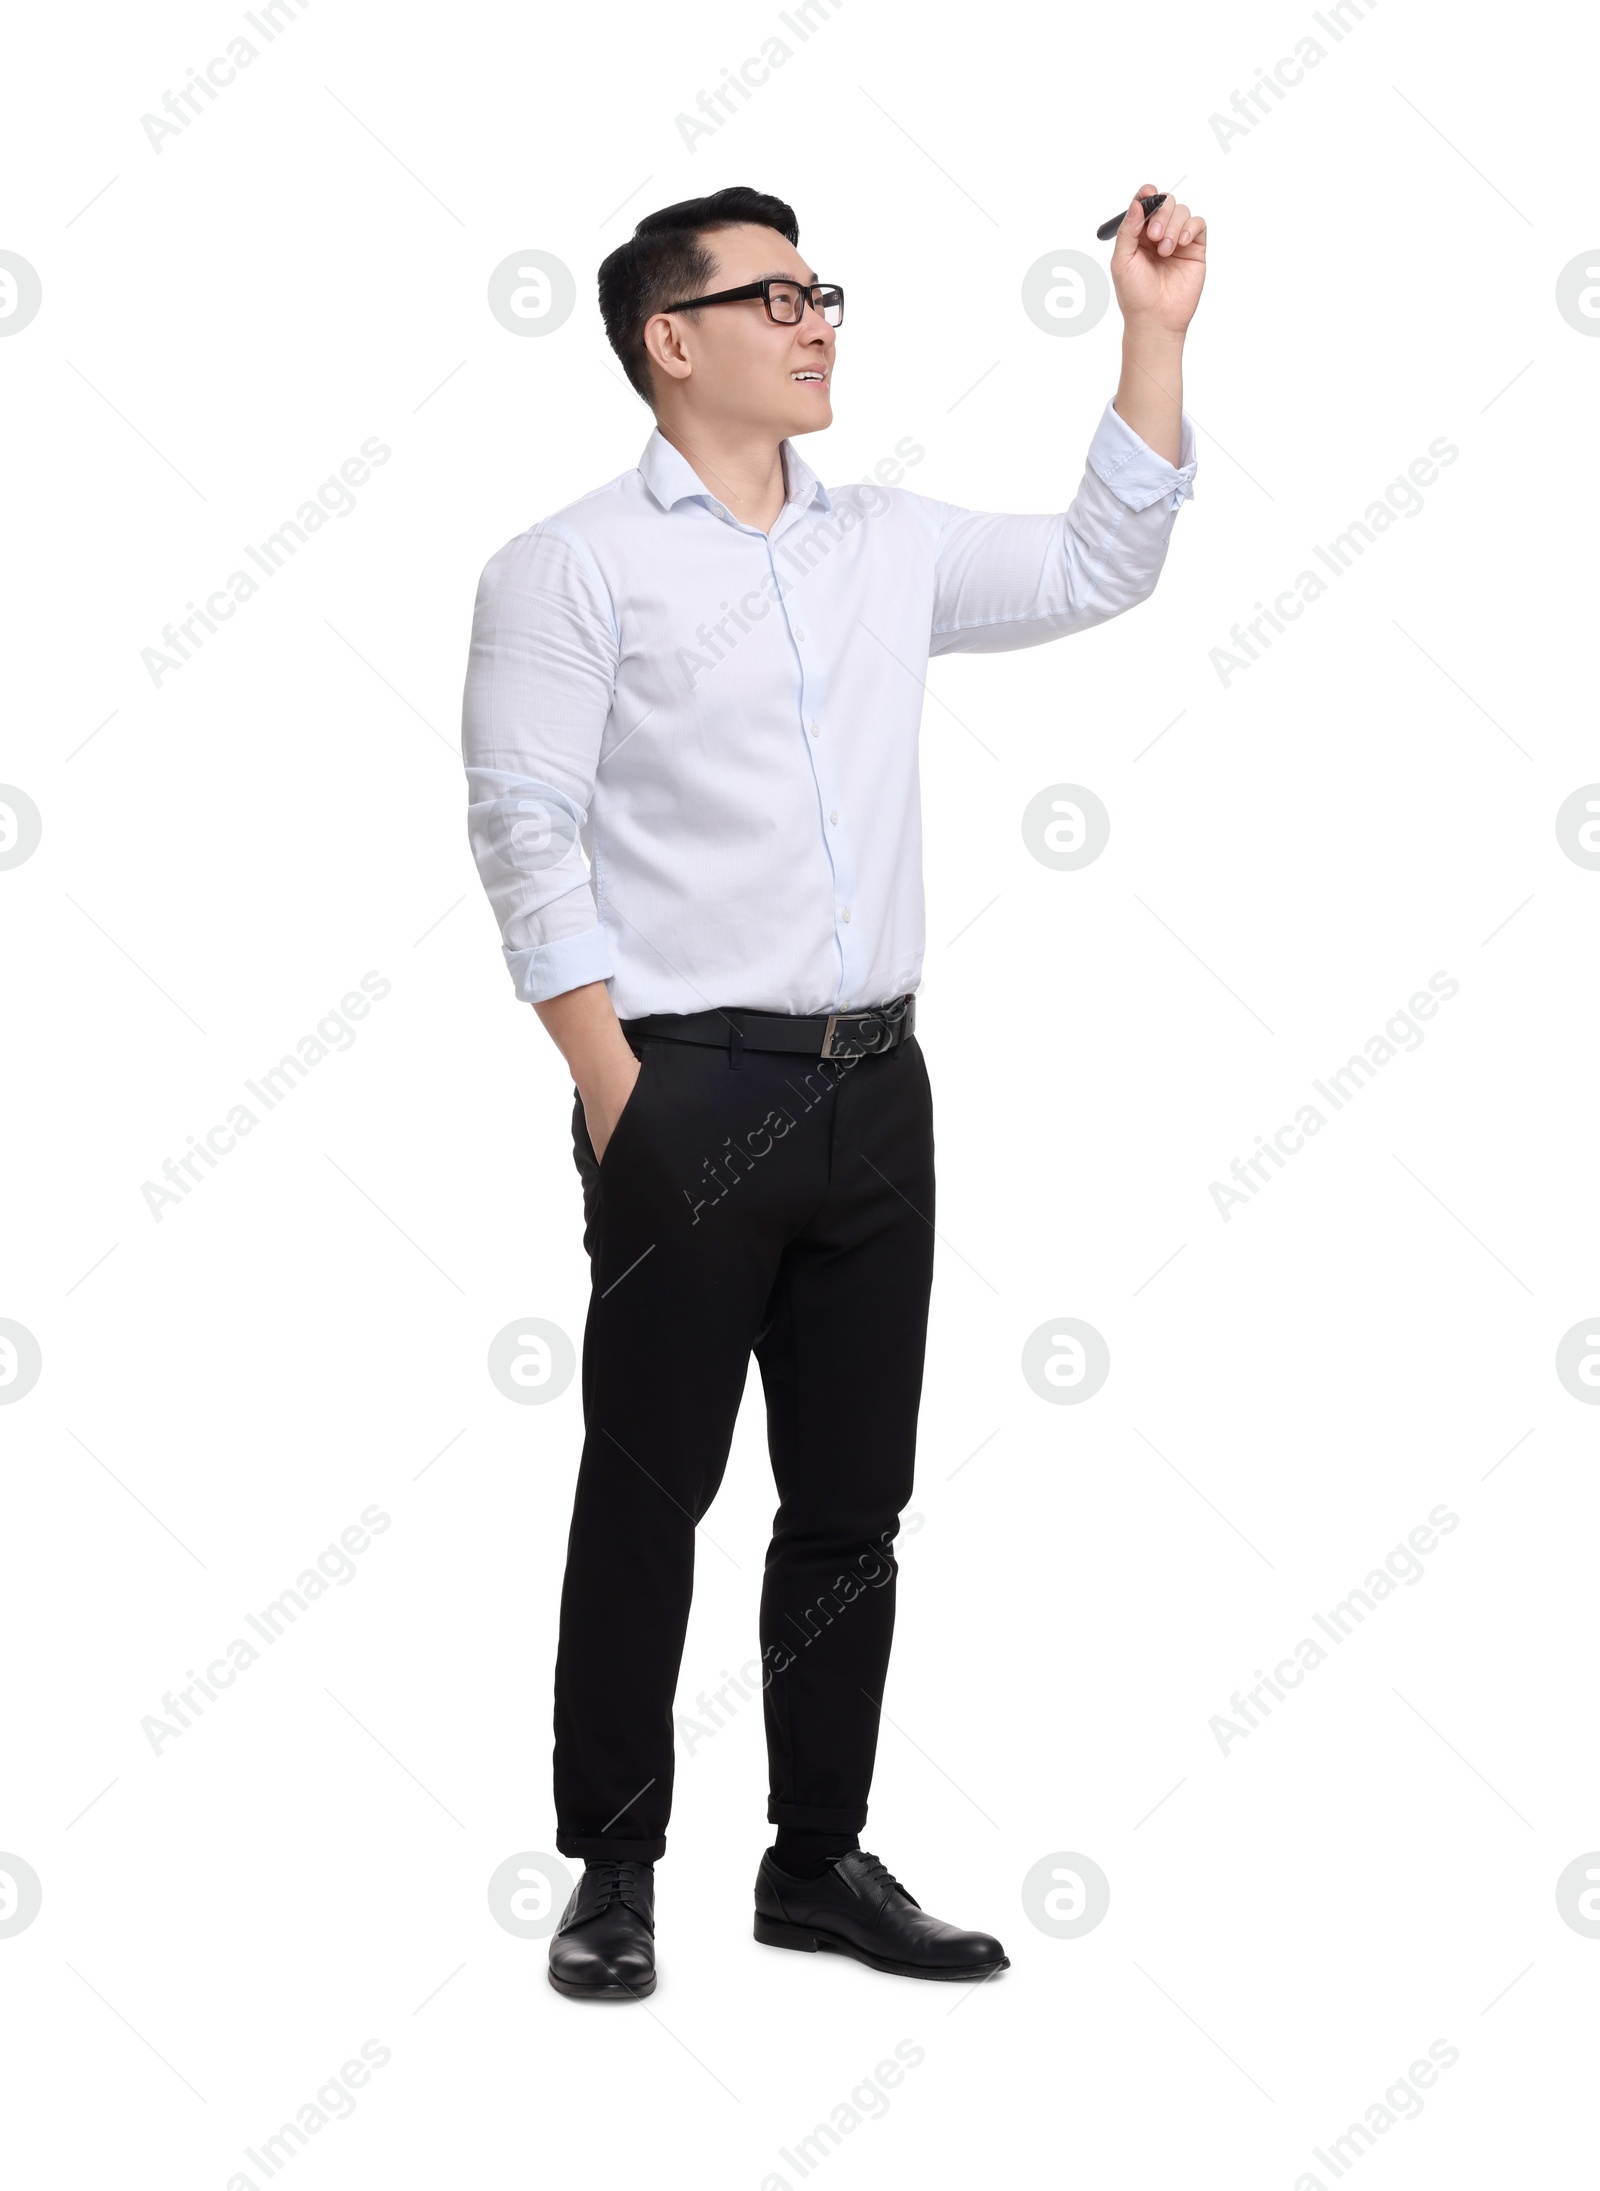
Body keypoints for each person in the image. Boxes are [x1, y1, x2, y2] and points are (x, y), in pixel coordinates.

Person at [460, 182, 1205, 1998]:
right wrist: (615, 1087)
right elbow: (521, 830)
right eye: (777, 297)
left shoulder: (883, 542)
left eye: (825, 293)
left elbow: (1103, 565)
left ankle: (816, 1860)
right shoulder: (570, 565)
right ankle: (615, 1870)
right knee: (651, 1490)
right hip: (688, 1089)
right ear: (672, 337)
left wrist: (1155, 333)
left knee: (852, 1503)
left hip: (882, 1087)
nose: (819, 323)